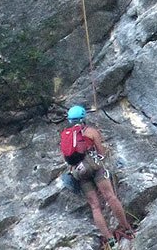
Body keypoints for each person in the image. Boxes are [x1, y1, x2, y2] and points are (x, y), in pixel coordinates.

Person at [60, 105, 135, 246]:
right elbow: (101, 153)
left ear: (70, 120)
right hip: (94, 167)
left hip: (79, 172)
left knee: (95, 206)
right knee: (110, 197)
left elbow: (67, 157)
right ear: (83, 117)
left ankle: (110, 239)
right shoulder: (90, 131)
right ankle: (127, 229)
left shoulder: (66, 135)